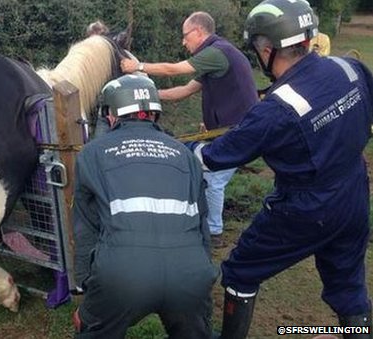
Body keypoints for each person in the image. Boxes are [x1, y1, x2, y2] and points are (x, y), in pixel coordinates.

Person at [186, 0, 373, 337]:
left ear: (267, 49)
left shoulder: (276, 109)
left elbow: (214, 156)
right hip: (354, 191)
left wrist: (180, 149)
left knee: (241, 270)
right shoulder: (349, 69)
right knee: (347, 285)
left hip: (306, 206)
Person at [72, 74, 217, 338]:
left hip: (122, 275)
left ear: (111, 115)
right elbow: (202, 223)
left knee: (91, 328)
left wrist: (86, 287)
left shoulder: (91, 153)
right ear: (154, 113)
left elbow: (86, 227)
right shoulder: (185, 154)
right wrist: (203, 272)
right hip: (190, 272)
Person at [121, 11, 259, 248]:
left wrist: (138, 66)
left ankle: (213, 232)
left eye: (185, 36)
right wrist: (146, 96)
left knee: (214, 179)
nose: (183, 42)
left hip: (241, 132)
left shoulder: (217, 53)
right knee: (204, 173)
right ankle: (202, 223)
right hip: (232, 130)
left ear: (198, 32)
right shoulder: (215, 59)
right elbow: (184, 91)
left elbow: (173, 70)